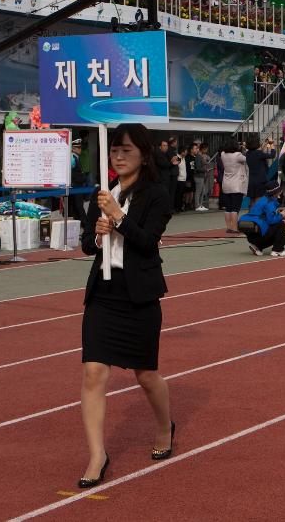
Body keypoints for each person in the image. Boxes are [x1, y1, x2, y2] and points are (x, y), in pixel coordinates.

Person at [77, 124, 175, 488]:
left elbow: (148, 243)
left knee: (146, 375)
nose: (118, 157)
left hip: (139, 296)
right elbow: (88, 245)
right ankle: (97, 454)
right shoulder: (102, 194)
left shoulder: (157, 195)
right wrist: (97, 234)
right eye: (114, 151)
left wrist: (118, 217)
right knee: (93, 373)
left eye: (126, 151)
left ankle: (164, 427)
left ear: (144, 155)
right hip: (103, 293)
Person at [239, 184, 285, 257]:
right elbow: (271, 221)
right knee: (280, 224)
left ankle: (258, 247)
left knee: (274, 228)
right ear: (276, 192)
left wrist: (277, 213)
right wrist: (281, 215)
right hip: (259, 232)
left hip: (251, 233)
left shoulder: (262, 199)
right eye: (280, 191)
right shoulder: (270, 203)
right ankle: (278, 250)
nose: (281, 192)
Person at [218, 142, 247, 234]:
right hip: (236, 185)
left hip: (226, 184)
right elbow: (247, 158)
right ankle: (234, 228)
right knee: (235, 208)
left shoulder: (223, 155)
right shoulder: (238, 155)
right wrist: (245, 148)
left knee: (228, 208)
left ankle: (229, 227)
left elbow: (222, 151)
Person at [244, 136, 274, 204]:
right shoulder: (259, 154)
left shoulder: (248, 153)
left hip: (251, 180)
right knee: (258, 200)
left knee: (252, 200)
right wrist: (271, 144)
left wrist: (265, 144)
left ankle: (251, 214)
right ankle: (256, 214)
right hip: (260, 180)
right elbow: (272, 155)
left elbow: (259, 152)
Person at [189, 143, 211, 212]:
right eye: (206, 149)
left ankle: (200, 205)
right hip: (198, 177)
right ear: (203, 149)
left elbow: (200, 166)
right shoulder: (198, 156)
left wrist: (204, 164)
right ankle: (197, 205)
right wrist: (205, 169)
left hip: (201, 176)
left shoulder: (200, 156)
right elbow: (198, 168)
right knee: (198, 192)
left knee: (202, 191)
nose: (207, 150)